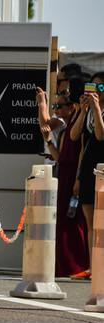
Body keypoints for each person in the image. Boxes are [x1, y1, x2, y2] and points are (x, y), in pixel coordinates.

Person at [39, 91, 90, 277]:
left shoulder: (80, 120)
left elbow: (81, 150)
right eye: (55, 106)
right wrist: (48, 141)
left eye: (60, 106)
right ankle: (64, 266)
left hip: (74, 177)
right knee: (63, 222)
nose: (57, 109)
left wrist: (78, 177)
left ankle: (77, 265)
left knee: (74, 223)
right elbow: (60, 158)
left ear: (71, 108)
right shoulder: (64, 128)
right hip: (64, 175)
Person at [70, 72, 104, 279]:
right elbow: (75, 137)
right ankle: (93, 267)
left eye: (100, 87)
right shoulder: (89, 111)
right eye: (93, 87)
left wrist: (97, 108)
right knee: (90, 221)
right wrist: (84, 111)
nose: (96, 91)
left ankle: (100, 267)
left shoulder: (99, 110)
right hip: (89, 166)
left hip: (103, 167)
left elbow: (101, 135)